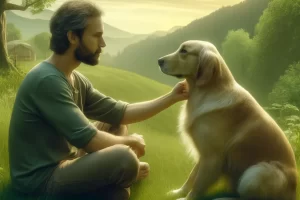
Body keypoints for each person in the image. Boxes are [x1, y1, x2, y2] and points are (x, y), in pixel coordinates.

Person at [8, 0, 189, 199]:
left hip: (66, 163)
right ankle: (122, 178)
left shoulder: (75, 79)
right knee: (125, 158)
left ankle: (115, 184)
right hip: (41, 183)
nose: (102, 44)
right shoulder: (47, 80)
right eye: (97, 36)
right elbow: (90, 140)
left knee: (117, 125)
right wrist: (130, 143)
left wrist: (172, 97)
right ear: (72, 37)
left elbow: (122, 112)